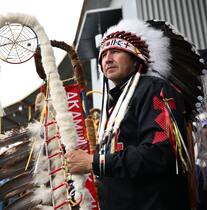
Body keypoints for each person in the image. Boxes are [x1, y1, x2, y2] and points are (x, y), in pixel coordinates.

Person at [65, 19, 204, 210]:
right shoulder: (114, 105)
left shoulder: (153, 88)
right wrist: (107, 184)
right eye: (103, 54)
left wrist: (95, 162)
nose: (107, 58)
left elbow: (159, 154)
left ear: (136, 58)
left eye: (115, 51)